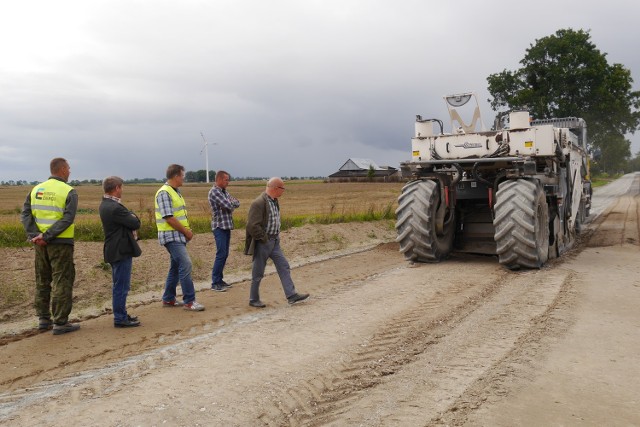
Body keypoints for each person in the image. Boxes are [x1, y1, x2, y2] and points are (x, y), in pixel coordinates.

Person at [20, 157, 80, 335]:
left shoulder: (36, 189)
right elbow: (67, 219)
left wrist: (35, 236)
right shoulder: (69, 191)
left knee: (42, 279)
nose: (69, 171)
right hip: (60, 243)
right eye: (68, 168)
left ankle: (43, 319)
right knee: (62, 279)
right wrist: (47, 236)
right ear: (61, 170)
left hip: (39, 244)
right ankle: (61, 322)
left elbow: (25, 215)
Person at [244, 177, 309, 308]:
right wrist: (264, 238)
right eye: (282, 188)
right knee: (258, 272)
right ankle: (253, 299)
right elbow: (252, 225)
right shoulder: (258, 203)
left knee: (283, 265)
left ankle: (291, 295)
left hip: (275, 242)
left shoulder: (274, 201)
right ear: (275, 188)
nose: (283, 191)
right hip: (264, 242)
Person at [155, 164, 205, 311]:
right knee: (186, 264)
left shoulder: (175, 192)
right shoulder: (165, 193)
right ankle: (190, 301)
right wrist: (186, 231)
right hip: (171, 236)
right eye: (183, 175)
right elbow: (169, 217)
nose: (184, 178)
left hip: (178, 235)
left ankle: (168, 298)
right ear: (176, 176)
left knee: (176, 267)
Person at [99, 176, 142, 328]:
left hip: (114, 248)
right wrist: (132, 214)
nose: (122, 190)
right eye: (121, 187)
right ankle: (120, 318)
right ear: (116, 188)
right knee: (121, 286)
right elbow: (135, 222)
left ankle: (122, 314)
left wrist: (129, 214)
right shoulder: (115, 207)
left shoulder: (104, 204)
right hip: (120, 250)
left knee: (119, 284)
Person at [208, 170, 240, 292]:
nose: (228, 182)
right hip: (219, 227)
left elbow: (237, 202)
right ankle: (215, 282)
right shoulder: (215, 192)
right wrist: (231, 204)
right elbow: (228, 205)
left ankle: (220, 280)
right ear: (220, 179)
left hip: (226, 226)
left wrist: (231, 204)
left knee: (225, 254)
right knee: (221, 254)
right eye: (226, 180)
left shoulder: (224, 192)